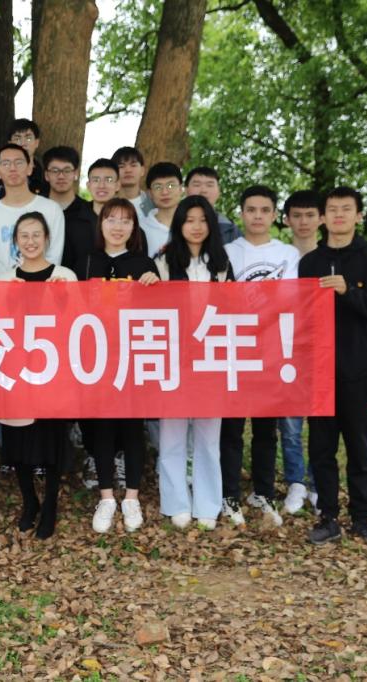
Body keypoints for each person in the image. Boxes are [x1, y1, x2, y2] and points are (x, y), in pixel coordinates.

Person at [300, 187, 367, 547]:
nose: (338, 215)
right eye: (332, 209)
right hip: (319, 373)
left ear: (358, 216)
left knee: (359, 448)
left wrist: (348, 292)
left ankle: (362, 519)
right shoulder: (310, 262)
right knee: (321, 449)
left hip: (359, 370)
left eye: (346, 209)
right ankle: (327, 517)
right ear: (323, 217)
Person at [220, 185, 300, 528]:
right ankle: (229, 495)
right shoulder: (226, 251)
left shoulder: (288, 254)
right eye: (251, 210)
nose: (257, 216)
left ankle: (264, 492)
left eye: (264, 210)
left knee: (267, 430)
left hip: (271, 351)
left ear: (274, 215)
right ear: (241, 213)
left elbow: (292, 298)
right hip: (232, 350)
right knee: (231, 429)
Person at [0, 212, 77, 540]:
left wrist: (62, 299)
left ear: (47, 238)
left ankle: (51, 505)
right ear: (15, 241)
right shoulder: (5, 280)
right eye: (24, 235)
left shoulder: (64, 276)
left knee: (52, 440)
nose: (30, 241)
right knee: (17, 441)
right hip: (16, 372)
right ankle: (29, 501)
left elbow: (79, 323)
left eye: (36, 235)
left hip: (54, 373)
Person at [154, 197, 233, 531]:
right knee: (171, 436)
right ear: (179, 224)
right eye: (189, 220)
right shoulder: (162, 260)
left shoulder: (221, 263)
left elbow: (233, 308)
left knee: (208, 437)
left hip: (211, 359)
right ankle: (176, 503)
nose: (196, 227)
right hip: (174, 358)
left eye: (202, 220)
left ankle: (208, 504)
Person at [82, 198, 160, 533]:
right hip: (97, 358)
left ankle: (131, 497)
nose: (118, 227)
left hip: (134, 358)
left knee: (131, 427)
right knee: (102, 426)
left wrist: (155, 286)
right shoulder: (88, 261)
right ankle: (105, 497)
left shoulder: (144, 264)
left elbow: (162, 311)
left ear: (134, 228)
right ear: (100, 224)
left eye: (125, 221)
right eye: (111, 219)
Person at [279, 189, 323, 515]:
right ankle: (295, 481)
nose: (303, 221)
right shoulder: (280, 257)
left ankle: (318, 483)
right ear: (286, 219)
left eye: (310, 215)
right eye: (297, 215)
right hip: (285, 349)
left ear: (321, 219)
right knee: (290, 425)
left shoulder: (329, 258)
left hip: (321, 350)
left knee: (321, 422)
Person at [0, 143, 64, 280]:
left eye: (19, 162)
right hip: (3, 289)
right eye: (5, 163)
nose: (12, 168)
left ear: (29, 168)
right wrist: (10, 285)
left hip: (44, 286)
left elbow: (54, 255)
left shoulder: (52, 209)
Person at [43, 146, 96, 274]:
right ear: (46, 175)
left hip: (80, 282)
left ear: (76, 173)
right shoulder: (35, 210)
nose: (61, 176)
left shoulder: (89, 213)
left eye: (67, 170)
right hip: (41, 281)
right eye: (55, 170)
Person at [184, 166, 243, 245]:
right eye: (197, 185)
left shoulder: (231, 231)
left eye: (210, 185)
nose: (203, 190)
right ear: (186, 190)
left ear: (219, 191)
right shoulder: (171, 223)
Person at [140, 162, 182, 258]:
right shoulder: (140, 228)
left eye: (171, 185)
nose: (165, 192)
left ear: (180, 189)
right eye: (158, 187)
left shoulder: (194, 223)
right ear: (150, 193)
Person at [7, 118, 50, 195]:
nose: (23, 143)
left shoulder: (45, 175)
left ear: (36, 143)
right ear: (10, 144)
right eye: (17, 139)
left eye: (28, 139)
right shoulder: (2, 173)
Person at [111, 146, 153, 215]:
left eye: (133, 165)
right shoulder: (106, 203)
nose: (128, 170)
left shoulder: (153, 203)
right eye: (121, 166)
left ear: (142, 170)